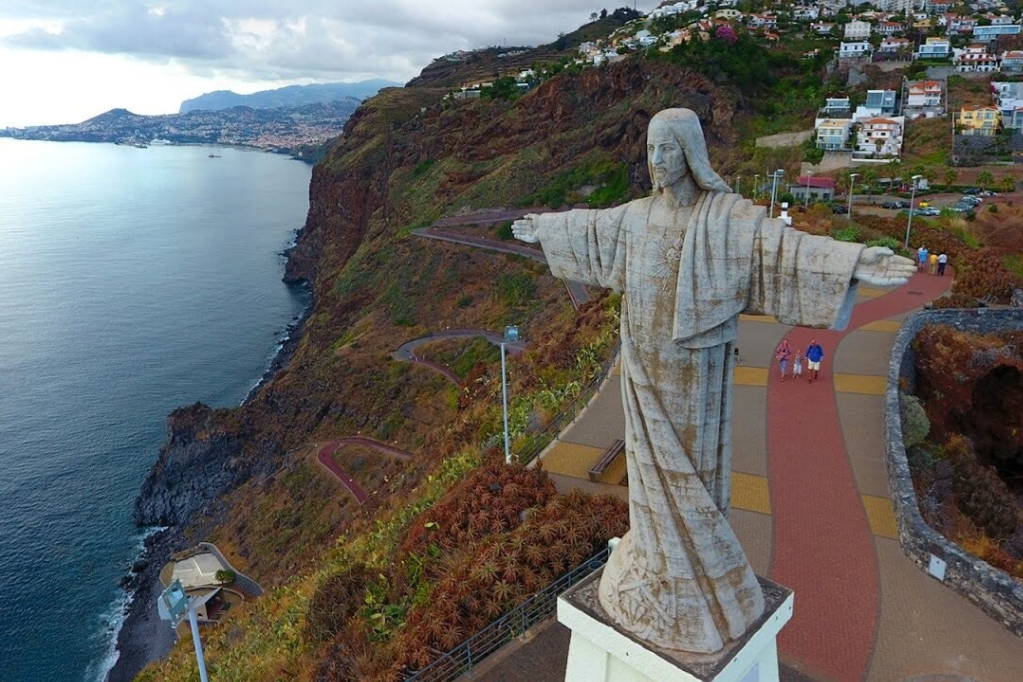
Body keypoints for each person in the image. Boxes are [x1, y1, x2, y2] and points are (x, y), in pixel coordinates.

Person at [511, 108, 915, 654]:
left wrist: (853, 260)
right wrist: (544, 228)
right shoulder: (637, 216)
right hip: (642, 363)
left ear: (689, 153)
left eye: (666, 149)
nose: (656, 161)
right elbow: (591, 227)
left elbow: (781, 249)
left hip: (694, 372)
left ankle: (699, 585)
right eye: (650, 151)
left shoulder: (723, 218)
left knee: (692, 472)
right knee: (648, 469)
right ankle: (655, 562)